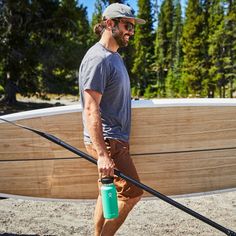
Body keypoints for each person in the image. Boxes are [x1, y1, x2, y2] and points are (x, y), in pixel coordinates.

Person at [79, 3, 146, 236]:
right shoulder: (98, 58)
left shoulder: (114, 57)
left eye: (133, 27)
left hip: (113, 139)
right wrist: (103, 154)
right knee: (132, 193)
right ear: (110, 24)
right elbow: (90, 107)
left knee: (106, 190)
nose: (132, 31)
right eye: (127, 25)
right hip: (109, 141)